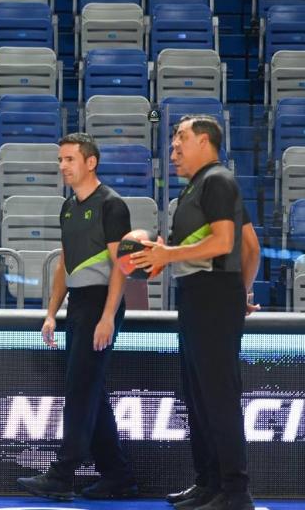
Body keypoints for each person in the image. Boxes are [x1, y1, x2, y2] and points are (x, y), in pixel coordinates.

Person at [132, 116, 255, 510]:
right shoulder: (195, 189)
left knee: (218, 398)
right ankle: (209, 483)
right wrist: (243, 289)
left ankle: (235, 492)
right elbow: (248, 243)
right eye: (171, 144)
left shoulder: (218, 180)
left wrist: (235, 291)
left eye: (181, 139)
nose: (174, 150)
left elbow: (226, 242)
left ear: (206, 141)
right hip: (199, 297)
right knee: (199, 397)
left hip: (214, 299)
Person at [17, 133, 138, 502]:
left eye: (69, 159)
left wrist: (108, 316)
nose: (63, 166)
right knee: (91, 391)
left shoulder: (112, 205)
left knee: (80, 390)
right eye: (60, 160)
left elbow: (122, 266)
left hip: (103, 303)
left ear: (91, 162)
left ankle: (62, 474)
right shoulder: (68, 207)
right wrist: (52, 313)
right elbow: (65, 264)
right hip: (79, 306)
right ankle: (118, 476)